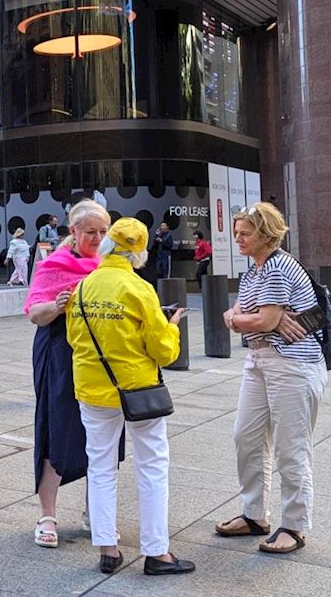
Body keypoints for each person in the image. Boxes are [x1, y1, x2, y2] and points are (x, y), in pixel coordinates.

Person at [67, 217, 192, 576]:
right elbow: (163, 351)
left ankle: (107, 549)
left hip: (92, 388)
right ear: (138, 254)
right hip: (137, 388)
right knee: (152, 465)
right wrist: (171, 327)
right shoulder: (139, 289)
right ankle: (157, 552)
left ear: (108, 245)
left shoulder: (83, 287)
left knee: (100, 466)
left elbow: (75, 338)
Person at [215, 202, 326, 554]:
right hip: (259, 359)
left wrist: (241, 319)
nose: (238, 239)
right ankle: (254, 515)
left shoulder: (278, 267)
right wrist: (245, 318)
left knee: (291, 447)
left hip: (292, 364)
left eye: (245, 233)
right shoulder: (255, 270)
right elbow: (244, 313)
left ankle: (294, 525)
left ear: (267, 234)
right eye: (236, 232)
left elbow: (260, 319)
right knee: (245, 436)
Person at [24, 198, 112, 549]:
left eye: (103, 232)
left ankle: (97, 510)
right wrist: (57, 305)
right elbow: (35, 312)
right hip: (59, 353)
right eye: (90, 232)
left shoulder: (111, 266)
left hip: (100, 355)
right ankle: (47, 514)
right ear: (73, 231)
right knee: (56, 426)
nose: (97, 238)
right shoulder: (55, 265)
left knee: (103, 432)